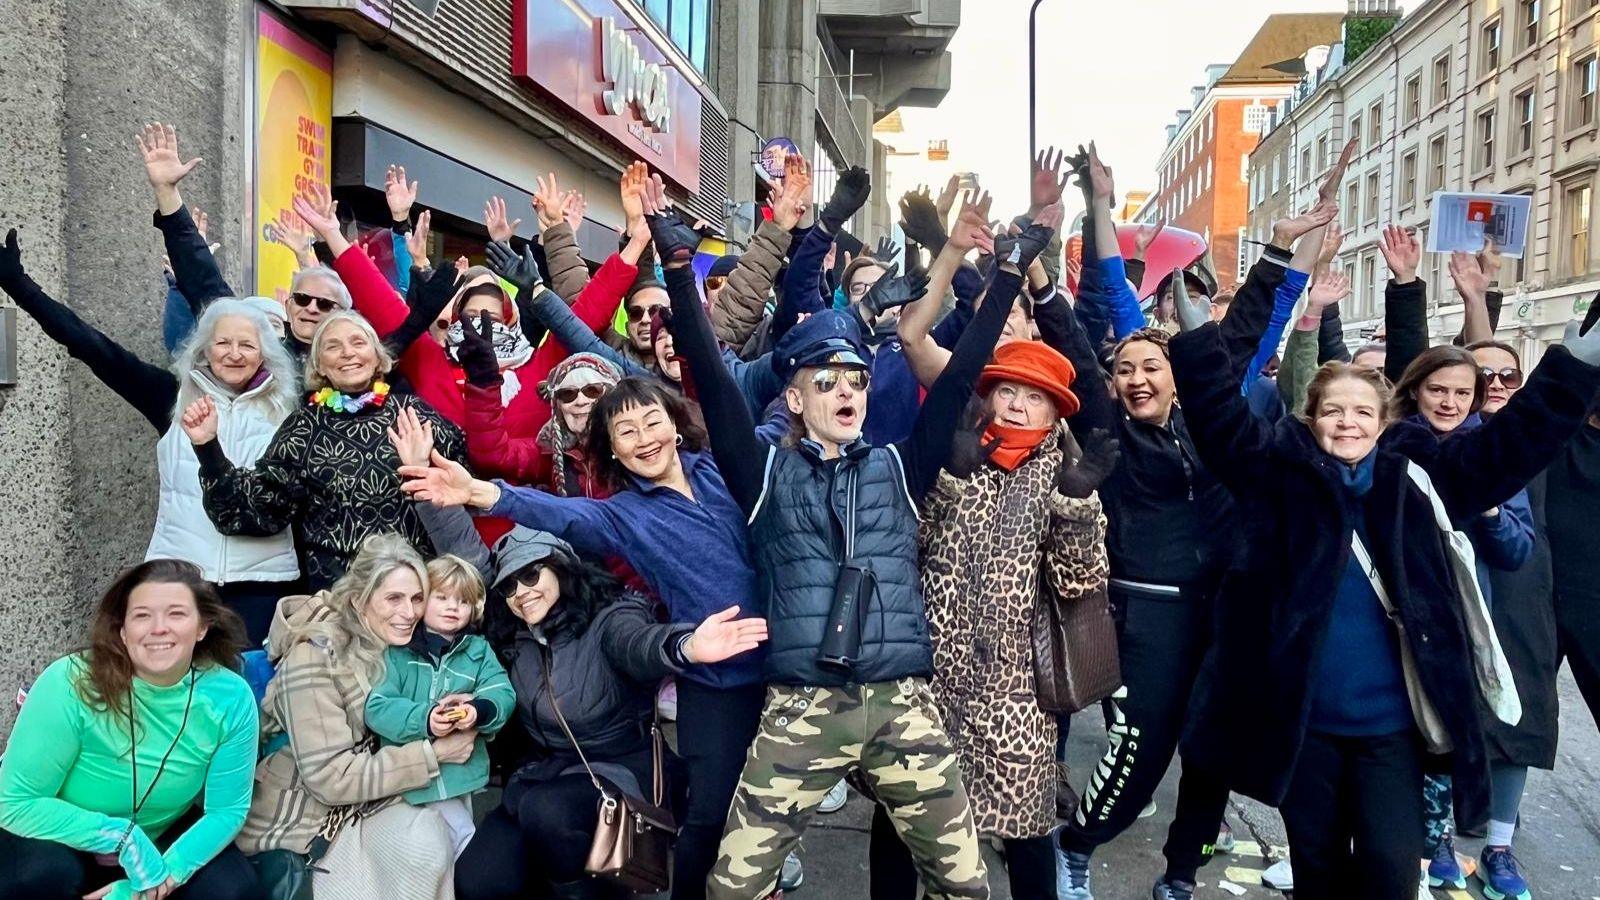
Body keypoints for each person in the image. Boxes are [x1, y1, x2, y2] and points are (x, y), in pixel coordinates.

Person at [1164, 234, 1600, 898]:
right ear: (1311, 420)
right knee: (1317, 872)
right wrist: (1196, 349)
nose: (1346, 423)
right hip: (1304, 723)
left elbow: (1509, 449)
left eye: (1361, 412)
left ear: (1384, 420)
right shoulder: (1278, 476)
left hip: (1391, 731)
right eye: (1332, 411)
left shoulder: (1416, 477)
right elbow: (1221, 423)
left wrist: (1573, 370)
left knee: (1392, 871)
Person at [657, 185, 1051, 897]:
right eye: (827, 380)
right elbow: (712, 383)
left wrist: (1012, 273)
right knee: (732, 888)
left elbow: (963, 372)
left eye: (858, 381)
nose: (847, 391)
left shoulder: (901, 465)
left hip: (902, 704)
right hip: (802, 709)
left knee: (965, 884)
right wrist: (679, 266)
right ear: (796, 398)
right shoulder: (765, 472)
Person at [1051, 143, 1343, 900]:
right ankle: (1078, 845)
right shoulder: (1107, 427)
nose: (1139, 378)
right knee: (1140, 752)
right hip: (1148, 615)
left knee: (1214, 751)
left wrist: (1280, 249)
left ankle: (1181, 869)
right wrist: (1062, 256)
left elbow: (1245, 332)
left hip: (1228, 609)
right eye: (1127, 371)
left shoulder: (1214, 419)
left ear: (1180, 375)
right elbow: (1082, 332)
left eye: (1155, 367)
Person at [399, 375, 769, 900]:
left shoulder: (717, 476)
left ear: (674, 424)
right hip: (672, 708)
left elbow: (635, 642)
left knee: (762, 809)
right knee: (491, 872)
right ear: (611, 451)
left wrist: (682, 645)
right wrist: (474, 492)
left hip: (764, 672)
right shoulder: (621, 519)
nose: (643, 438)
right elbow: (557, 516)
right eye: (625, 431)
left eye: (652, 422)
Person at [869, 339, 1114, 900]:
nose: (1019, 406)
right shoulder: (952, 455)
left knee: (1025, 832)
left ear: (1055, 412)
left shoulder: (1066, 475)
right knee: (900, 821)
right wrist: (949, 479)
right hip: (929, 688)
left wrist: (1075, 505)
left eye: (1036, 397)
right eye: (1008, 391)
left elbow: (1080, 585)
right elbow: (905, 547)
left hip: (1017, 695)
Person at [0, 229, 302, 644]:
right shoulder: (171, 398)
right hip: (182, 580)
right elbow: (90, 346)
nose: (234, 353)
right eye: (223, 343)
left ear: (265, 352)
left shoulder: (290, 409)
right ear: (203, 349)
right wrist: (19, 285)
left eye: (247, 345)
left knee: (245, 696)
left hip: (262, 586)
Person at [450, 528, 768, 900]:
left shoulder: (608, 616)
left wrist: (688, 646)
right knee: (478, 881)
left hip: (615, 767)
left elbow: (638, 644)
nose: (522, 592)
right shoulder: (514, 636)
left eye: (531, 574)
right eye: (509, 587)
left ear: (561, 567)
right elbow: (463, 552)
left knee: (546, 814)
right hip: (544, 772)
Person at [0, 560, 261, 900]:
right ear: (123, 630)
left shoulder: (231, 697)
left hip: (161, 834)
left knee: (233, 891)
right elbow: (12, 802)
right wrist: (122, 838)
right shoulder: (69, 682)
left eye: (177, 614)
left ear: (203, 626)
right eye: (142, 615)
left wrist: (158, 882)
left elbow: (227, 810)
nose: (159, 628)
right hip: (58, 832)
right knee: (41, 876)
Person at [237, 533, 475, 899]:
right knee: (420, 847)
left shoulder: (407, 647)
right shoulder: (315, 658)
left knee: (433, 839)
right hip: (310, 811)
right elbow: (329, 777)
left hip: (379, 795)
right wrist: (434, 754)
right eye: (393, 598)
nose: (409, 612)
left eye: (416, 599)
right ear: (358, 600)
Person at [184, 310, 466, 590]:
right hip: (340, 600)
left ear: (378, 356)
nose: (347, 353)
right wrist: (208, 447)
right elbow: (253, 510)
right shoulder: (304, 426)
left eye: (358, 342)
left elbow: (469, 484)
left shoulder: (413, 413)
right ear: (318, 364)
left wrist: (422, 470)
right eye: (333, 346)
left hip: (415, 593)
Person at [364, 554, 515, 858]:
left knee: (452, 843)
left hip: (462, 774)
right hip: (412, 779)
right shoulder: (397, 652)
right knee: (459, 842)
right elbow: (378, 707)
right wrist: (426, 720)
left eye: (462, 601)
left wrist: (478, 710)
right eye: (441, 597)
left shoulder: (478, 649)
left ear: (474, 608)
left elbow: (502, 691)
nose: (452, 607)